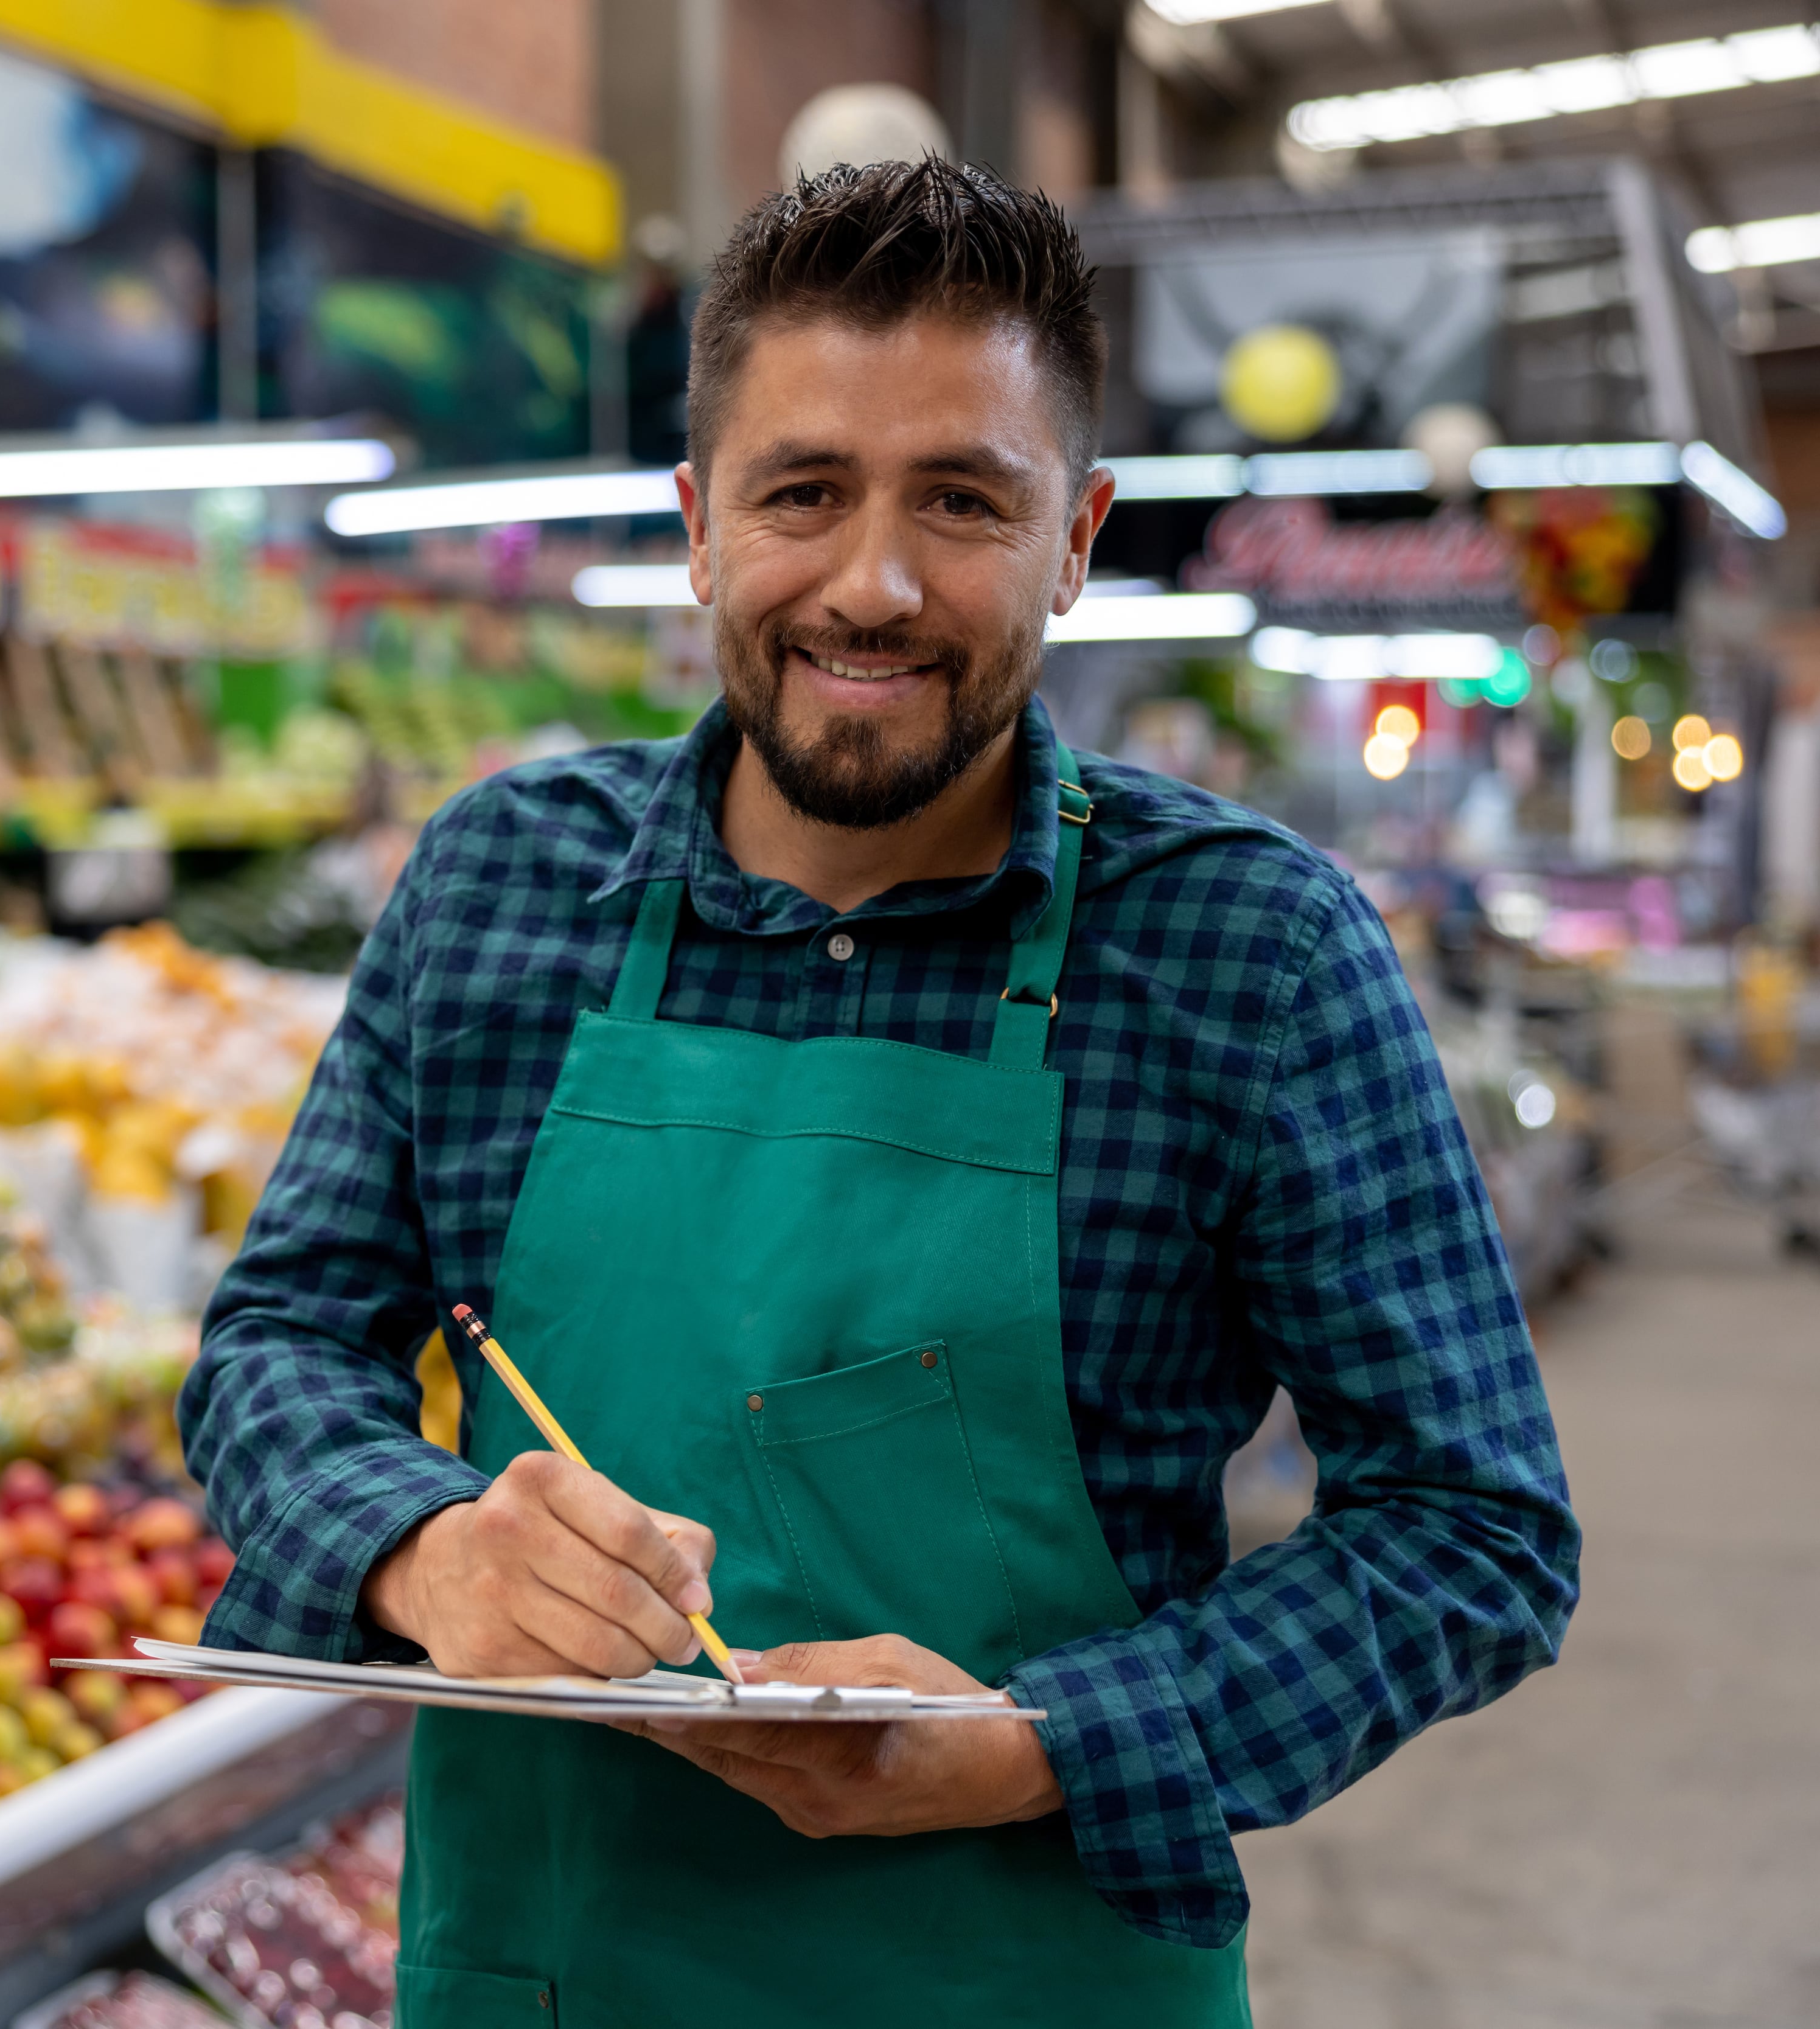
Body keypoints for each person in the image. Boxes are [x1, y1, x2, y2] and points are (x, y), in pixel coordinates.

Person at [180, 159, 1579, 2025]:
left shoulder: (1252, 956)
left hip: (1027, 1967)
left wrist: (1040, 1741)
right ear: (697, 524)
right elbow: (276, 1341)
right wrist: (421, 1546)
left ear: (1075, 537)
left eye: (962, 501)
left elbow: (1474, 1528)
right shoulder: (499, 884)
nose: (875, 584)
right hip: (540, 1973)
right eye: (805, 494)